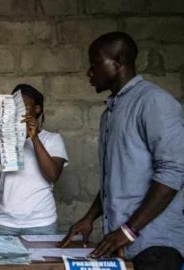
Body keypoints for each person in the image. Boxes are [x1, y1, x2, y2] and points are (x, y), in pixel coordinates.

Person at [59, 32, 184, 270]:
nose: (89, 72)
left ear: (118, 62)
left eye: (95, 64)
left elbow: (173, 173)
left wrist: (129, 230)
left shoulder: (153, 101)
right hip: (123, 244)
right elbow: (113, 180)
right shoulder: (111, 112)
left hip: (155, 246)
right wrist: (89, 218)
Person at [0, 84, 69, 235]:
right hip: (4, 222)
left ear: (37, 109)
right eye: (14, 108)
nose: (18, 113)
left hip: (41, 222)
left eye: (23, 108)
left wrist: (34, 138)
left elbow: (52, 175)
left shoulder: (52, 139)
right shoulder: (5, 139)